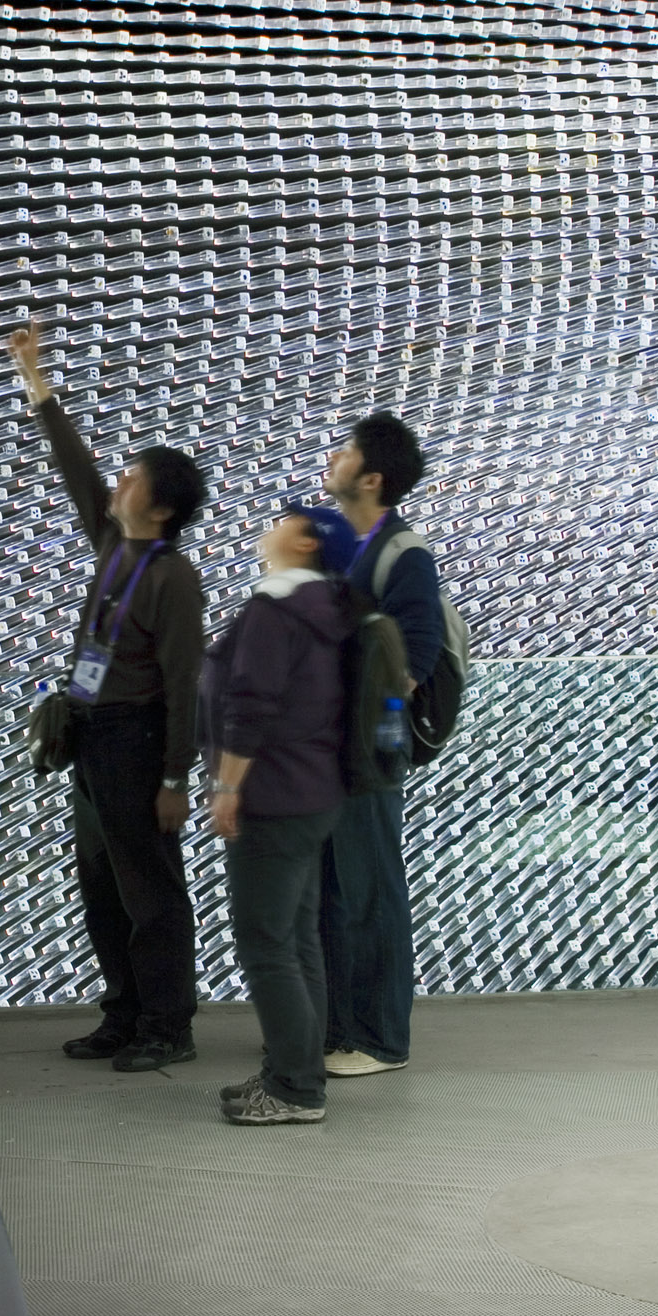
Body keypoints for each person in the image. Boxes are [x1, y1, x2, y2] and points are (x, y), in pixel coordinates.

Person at [6, 326, 207, 1071]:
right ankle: (122, 1013)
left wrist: (174, 778)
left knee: (150, 889)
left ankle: (168, 1025)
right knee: (102, 884)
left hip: (136, 739)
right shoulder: (116, 546)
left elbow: (185, 684)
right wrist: (38, 383)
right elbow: (76, 471)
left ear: (162, 507)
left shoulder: (172, 578)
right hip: (93, 735)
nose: (118, 484)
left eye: (133, 478)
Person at [204, 507, 358, 1125]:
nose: (266, 527)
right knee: (297, 940)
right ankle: (295, 1068)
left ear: (304, 542)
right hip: (315, 790)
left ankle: (295, 1089)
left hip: (270, 792)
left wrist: (227, 785)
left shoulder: (276, 607)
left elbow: (252, 700)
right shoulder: (330, 609)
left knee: (266, 944)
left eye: (281, 521)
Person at [310, 414, 442, 1078]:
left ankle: (381, 1037)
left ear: (372, 477)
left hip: (365, 750)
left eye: (346, 451)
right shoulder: (340, 549)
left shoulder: (403, 554)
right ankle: (338, 1027)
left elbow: (415, 656)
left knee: (369, 887)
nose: (332, 457)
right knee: (329, 888)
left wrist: (368, 724)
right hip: (324, 748)